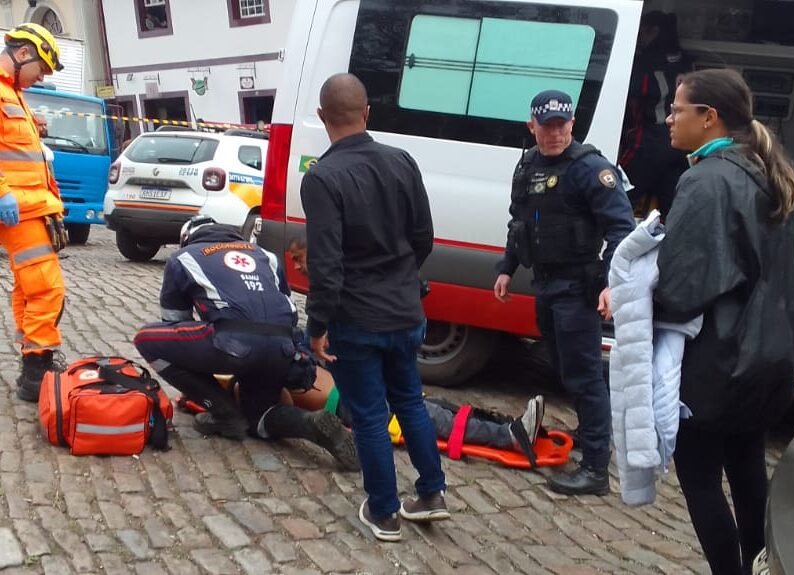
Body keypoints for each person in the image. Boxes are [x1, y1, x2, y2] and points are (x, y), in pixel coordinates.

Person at [654, 68, 794, 574]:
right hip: (767, 358)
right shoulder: (764, 170)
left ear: (708, 117)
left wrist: (629, 292)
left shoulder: (707, 180)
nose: (669, 118)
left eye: (677, 109)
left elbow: (681, 287)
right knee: (746, 469)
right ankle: (763, 564)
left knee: (698, 479)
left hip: (719, 363)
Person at [300, 73, 446, 542]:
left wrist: (317, 325)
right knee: (410, 403)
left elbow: (326, 263)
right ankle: (431, 493)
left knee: (368, 416)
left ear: (323, 117)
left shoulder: (322, 177)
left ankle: (383, 512)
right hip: (405, 311)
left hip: (357, 318)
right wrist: (399, 278)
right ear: (367, 113)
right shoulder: (402, 161)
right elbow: (423, 237)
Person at [133, 216, 359, 471]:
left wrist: (199, 387)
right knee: (258, 417)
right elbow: (284, 305)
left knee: (147, 339)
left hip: (235, 343)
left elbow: (175, 324)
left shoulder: (183, 258)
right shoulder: (266, 256)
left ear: (187, 239)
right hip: (283, 346)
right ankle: (310, 424)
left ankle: (223, 412)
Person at [494, 89, 635, 496]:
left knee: (584, 374)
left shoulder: (590, 169)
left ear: (572, 124)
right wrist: (507, 268)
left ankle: (595, 469)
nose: (554, 133)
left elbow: (621, 230)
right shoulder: (528, 166)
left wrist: (611, 281)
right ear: (532, 125)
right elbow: (518, 222)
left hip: (578, 286)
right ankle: (593, 432)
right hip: (546, 284)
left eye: (562, 125)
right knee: (562, 366)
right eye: (546, 126)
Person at [286, 236, 547, 453]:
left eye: (299, 259)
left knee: (431, 407)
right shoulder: (304, 330)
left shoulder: (326, 303)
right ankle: (510, 435)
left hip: (358, 388)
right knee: (425, 417)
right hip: (346, 401)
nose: (295, 267)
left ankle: (506, 427)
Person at [0, 23, 68, 401]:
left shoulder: (14, 93)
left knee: (30, 287)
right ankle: (36, 370)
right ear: (23, 53)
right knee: (46, 288)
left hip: (30, 207)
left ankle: (33, 363)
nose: (41, 76)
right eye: (40, 67)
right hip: (18, 208)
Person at [619, 11, 692, 218]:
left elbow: (632, 94)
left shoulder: (646, 64)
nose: (639, 36)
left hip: (646, 143)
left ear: (654, 32)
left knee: (619, 200)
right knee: (673, 210)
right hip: (679, 145)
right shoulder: (683, 60)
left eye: (642, 31)